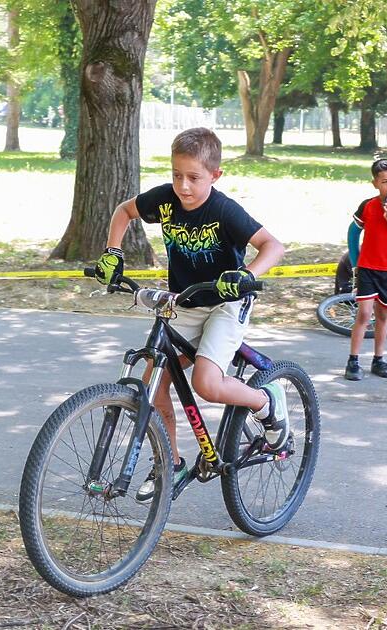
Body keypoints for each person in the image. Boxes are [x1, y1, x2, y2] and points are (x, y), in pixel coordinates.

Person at [94, 127, 289, 502]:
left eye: (194, 178)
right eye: (176, 175)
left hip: (224, 303)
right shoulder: (165, 200)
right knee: (153, 381)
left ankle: (267, 402)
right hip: (184, 300)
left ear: (215, 176)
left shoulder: (223, 210)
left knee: (207, 384)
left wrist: (247, 275)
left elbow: (273, 246)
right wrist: (112, 251)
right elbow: (124, 211)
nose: (183, 186)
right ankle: (172, 460)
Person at [345, 158, 387, 381]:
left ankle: (379, 359)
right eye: (384, 181)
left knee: (383, 315)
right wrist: (356, 263)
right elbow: (353, 233)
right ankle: (353, 360)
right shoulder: (367, 206)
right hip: (367, 268)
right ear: (375, 183)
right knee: (364, 313)